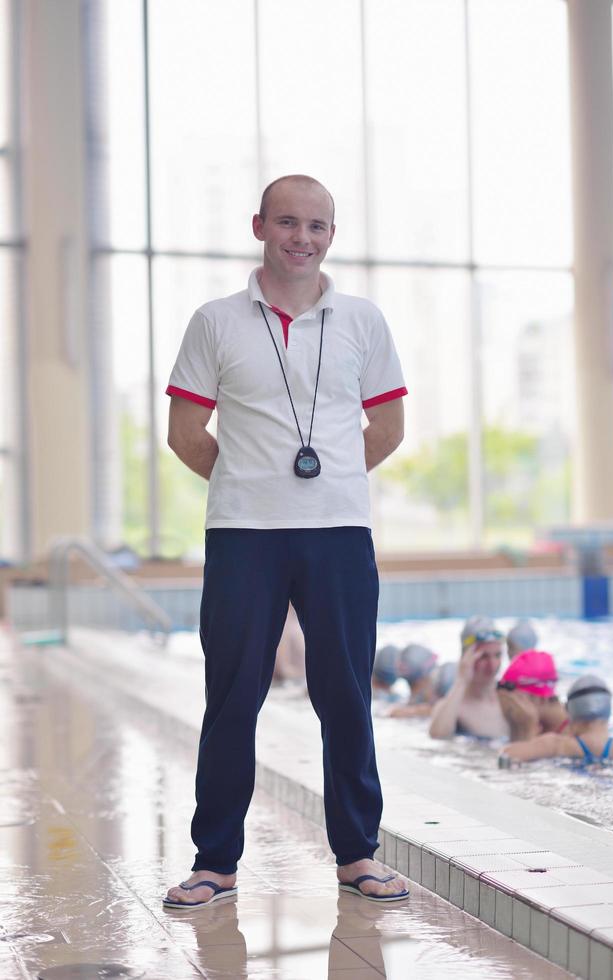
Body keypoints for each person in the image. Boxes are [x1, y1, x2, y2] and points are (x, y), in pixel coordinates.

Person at [163, 174, 409, 908]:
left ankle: (358, 855)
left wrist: (323, 486)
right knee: (233, 697)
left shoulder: (362, 320)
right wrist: (253, 486)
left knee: (345, 697)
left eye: (317, 225)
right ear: (259, 227)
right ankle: (215, 862)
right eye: (288, 223)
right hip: (244, 536)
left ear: (332, 234)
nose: (302, 238)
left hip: (338, 534)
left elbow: (389, 429)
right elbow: (185, 434)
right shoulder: (215, 320)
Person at [499, 675, 613, 765]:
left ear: (569, 711)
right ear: (609, 709)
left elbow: (506, 756)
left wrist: (529, 728)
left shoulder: (557, 745)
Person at [428, 616, 509, 739]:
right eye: (483, 657)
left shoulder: (511, 700)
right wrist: (461, 680)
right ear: (466, 658)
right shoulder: (454, 707)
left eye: (497, 655)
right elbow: (438, 736)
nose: (492, 665)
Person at [496, 649, 568, 740]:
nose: (507, 705)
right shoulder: (547, 730)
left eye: (514, 699)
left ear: (541, 698)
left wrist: (526, 731)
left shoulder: (573, 737)